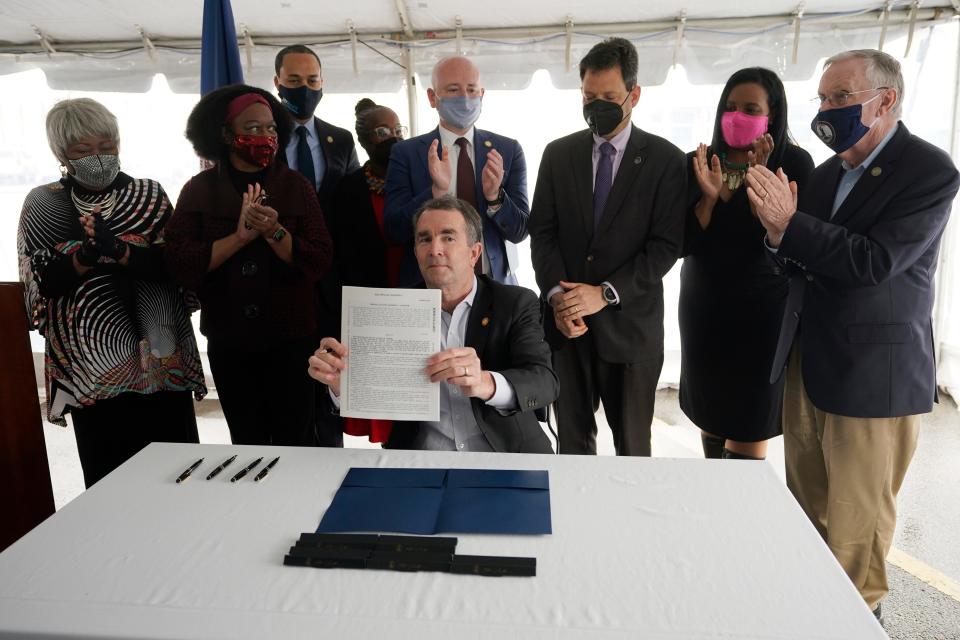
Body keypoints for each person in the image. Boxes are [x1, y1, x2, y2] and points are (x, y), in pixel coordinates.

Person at [745, 49, 959, 622]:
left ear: (885, 101)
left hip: (872, 377)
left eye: (840, 98)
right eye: (822, 97)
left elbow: (875, 262)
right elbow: (795, 259)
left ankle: (857, 622)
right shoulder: (825, 174)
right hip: (808, 364)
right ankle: (814, 613)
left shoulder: (930, 171)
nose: (825, 109)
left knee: (856, 526)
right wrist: (774, 236)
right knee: (808, 509)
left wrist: (789, 227)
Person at [16, 98, 206, 488]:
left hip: (160, 362)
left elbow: (175, 269)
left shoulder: (149, 195)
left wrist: (119, 250)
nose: (97, 157)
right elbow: (42, 284)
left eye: (106, 146)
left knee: (177, 475)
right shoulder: (43, 202)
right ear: (61, 153)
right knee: (108, 480)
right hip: (90, 370)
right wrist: (84, 256)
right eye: (83, 150)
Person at [529, 37, 685, 456]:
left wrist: (605, 294)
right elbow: (542, 232)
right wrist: (560, 297)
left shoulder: (666, 160)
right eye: (588, 96)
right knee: (573, 447)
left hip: (630, 330)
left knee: (633, 448)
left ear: (634, 95)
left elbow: (666, 245)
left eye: (610, 97)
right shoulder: (557, 154)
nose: (597, 106)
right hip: (567, 330)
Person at [309, 195, 557, 453]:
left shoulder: (515, 302)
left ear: (474, 253)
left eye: (448, 237)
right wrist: (341, 385)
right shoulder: (391, 309)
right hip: (422, 459)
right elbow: (373, 397)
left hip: (506, 455)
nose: (434, 249)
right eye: (424, 239)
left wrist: (485, 382)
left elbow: (544, 381)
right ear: (416, 252)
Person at [164, 85, 332, 446]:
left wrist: (273, 231)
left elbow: (318, 259)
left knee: (297, 440)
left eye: (271, 128)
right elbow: (180, 263)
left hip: (292, 341)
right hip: (230, 342)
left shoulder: (296, 186)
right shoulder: (198, 190)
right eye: (253, 128)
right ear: (225, 134)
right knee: (247, 439)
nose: (265, 137)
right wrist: (239, 238)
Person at [680, 68, 814, 461]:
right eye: (731, 107)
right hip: (704, 308)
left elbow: (779, 244)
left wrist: (754, 181)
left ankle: (741, 508)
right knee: (712, 412)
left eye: (750, 108)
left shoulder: (794, 164)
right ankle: (714, 497)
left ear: (771, 115)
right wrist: (707, 197)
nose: (738, 115)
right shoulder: (701, 161)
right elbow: (686, 242)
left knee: (749, 418)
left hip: (761, 314)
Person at [274, 44, 360, 447]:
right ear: (277, 83)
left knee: (328, 385)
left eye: (311, 81)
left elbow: (353, 203)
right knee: (286, 394)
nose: (304, 88)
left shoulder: (340, 139)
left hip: (329, 283)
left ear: (323, 83)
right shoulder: (261, 141)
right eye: (294, 81)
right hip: (276, 281)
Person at [384, 56, 529, 287]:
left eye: (472, 90)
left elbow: (520, 231)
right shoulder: (406, 153)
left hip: (495, 289)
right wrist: (436, 192)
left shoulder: (508, 150)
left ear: (482, 95)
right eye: (453, 89)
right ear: (433, 97)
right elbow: (394, 230)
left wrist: (496, 198)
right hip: (428, 289)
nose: (465, 98)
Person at [327, 98, 408, 444]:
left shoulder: (419, 181)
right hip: (367, 308)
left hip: (415, 302)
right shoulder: (342, 191)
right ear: (363, 140)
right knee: (382, 397)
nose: (393, 137)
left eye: (398, 130)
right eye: (382, 131)